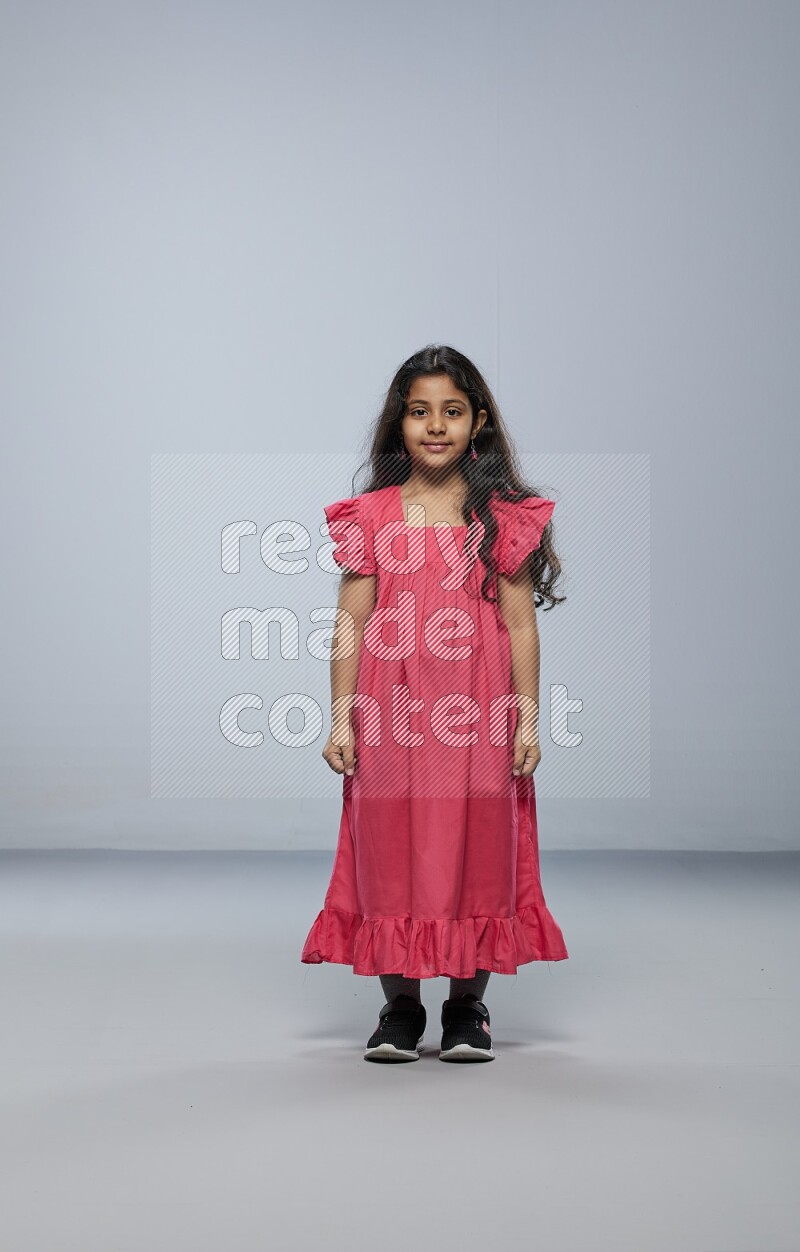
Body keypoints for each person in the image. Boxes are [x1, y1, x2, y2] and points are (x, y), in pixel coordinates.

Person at [301, 343, 568, 1063]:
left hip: (478, 717)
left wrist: (527, 721)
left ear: (477, 422)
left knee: (478, 849)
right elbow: (351, 622)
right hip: (392, 718)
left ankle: (466, 1007)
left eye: (452, 411)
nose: (436, 426)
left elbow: (518, 624)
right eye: (420, 413)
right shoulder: (372, 515)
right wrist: (340, 717)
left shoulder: (501, 517)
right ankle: (399, 1011)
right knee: (389, 851)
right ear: (400, 425)